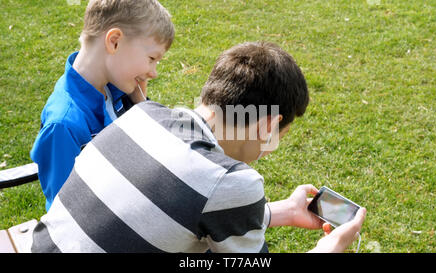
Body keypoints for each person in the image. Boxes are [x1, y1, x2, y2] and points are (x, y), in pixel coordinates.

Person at [31, 41, 366, 253]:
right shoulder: (233, 181)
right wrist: (330, 247)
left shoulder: (142, 115)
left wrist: (283, 212)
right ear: (268, 126)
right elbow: (211, 198)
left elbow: (174, 205)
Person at [30, 0, 175, 211]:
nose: (153, 72)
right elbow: (66, 213)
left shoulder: (117, 88)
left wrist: (140, 103)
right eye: (152, 58)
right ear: (114, 42)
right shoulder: (64, 125)